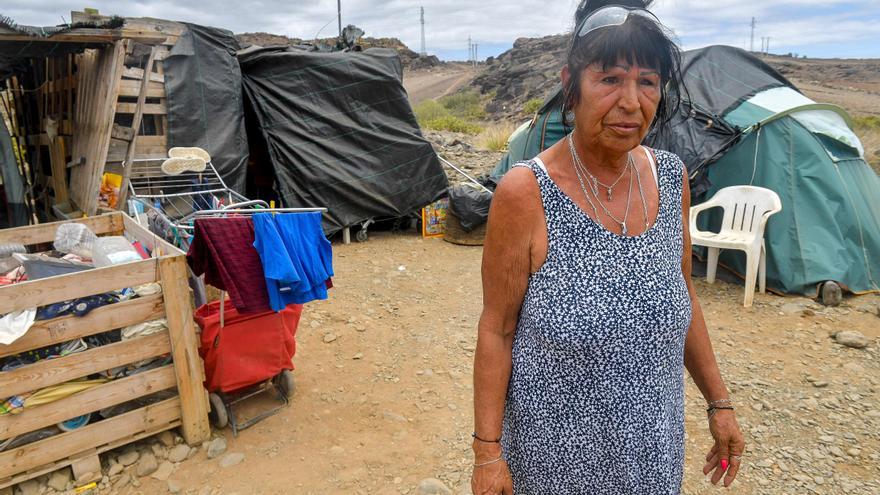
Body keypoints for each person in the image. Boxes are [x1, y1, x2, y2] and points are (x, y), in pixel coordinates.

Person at [471, 1, 746, 493]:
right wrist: (487, 455)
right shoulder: (525, 193)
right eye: (610, 79)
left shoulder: (670, 177)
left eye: (647, 81)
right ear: (570, 85)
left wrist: (719, 402)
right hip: (553, 458)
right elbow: (497, 329)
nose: (631, 101)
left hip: (652, 453)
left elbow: (683, 295)